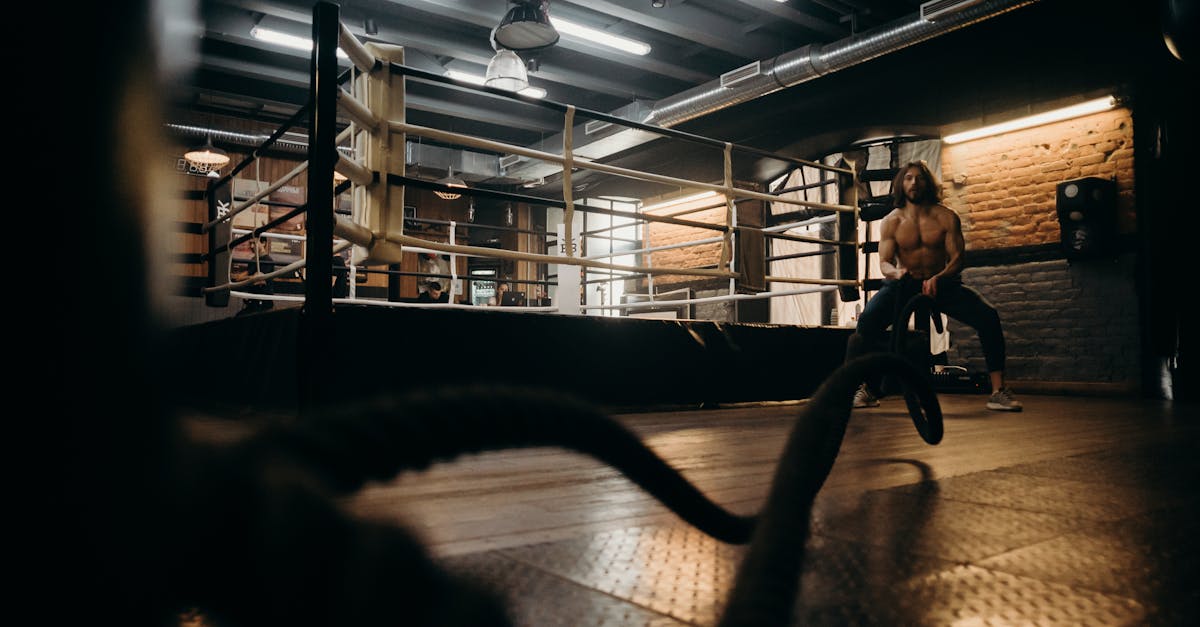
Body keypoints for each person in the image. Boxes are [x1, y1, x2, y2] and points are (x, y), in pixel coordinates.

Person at [846, 160, 1022, 412]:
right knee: (866, 323)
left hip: (941, 283)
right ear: (901, 184)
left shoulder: (946, 217)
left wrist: (940, 277)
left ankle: (998, 391)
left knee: (988, 317)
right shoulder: (891, 221)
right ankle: (864, 388)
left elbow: (958, 259)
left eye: (919, 178)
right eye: (908, 178)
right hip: (903, 284)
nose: (914, 183)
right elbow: (884, 263)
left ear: (928, 183)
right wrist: (896, 272)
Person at [233, 236, 276, 316]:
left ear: (263, 243)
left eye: (254, 243)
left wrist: (250, 278)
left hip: (263, 303)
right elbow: (239, 278)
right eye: (250, 243)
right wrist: (252, 277)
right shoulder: (253, 260)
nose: (252, 246)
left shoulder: (267, 261)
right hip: (253, 301)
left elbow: (259, 280)